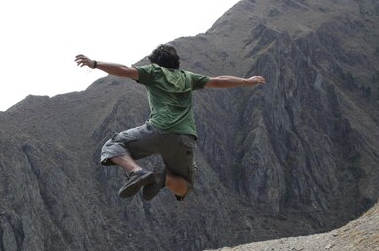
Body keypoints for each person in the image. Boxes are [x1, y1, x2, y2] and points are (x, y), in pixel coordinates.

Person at [75, 44, 266, 202]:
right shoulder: (188, 77)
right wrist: (246, 81)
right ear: (177, 63)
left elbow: (124, 70)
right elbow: (219, 81)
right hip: (184, 139)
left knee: (113, 144)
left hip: (157, 130)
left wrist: (94, 63)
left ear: (155, 62)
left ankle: (136, 172)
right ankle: (163, 178)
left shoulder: (154, 72)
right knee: (183, 188)